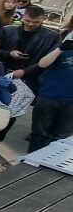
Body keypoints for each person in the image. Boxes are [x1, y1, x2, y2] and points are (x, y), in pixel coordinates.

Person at [0, 5, 60, 153]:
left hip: (28, 78)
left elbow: (47, 61)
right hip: (3, 73)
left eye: (35, 22)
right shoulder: (8, 30)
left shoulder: (52, 37)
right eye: (27, 21)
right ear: (23, 17)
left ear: (42, 20)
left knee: (10, 112)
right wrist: (9, 54)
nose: (30, 24)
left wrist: (24, 72)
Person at [29, 22, 73, 151]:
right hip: (49, 96)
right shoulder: (63, 40)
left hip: (71, 102)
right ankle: (31, 161)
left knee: (60, 137)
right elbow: (42, 64)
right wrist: (61, 49)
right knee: (38, 134)